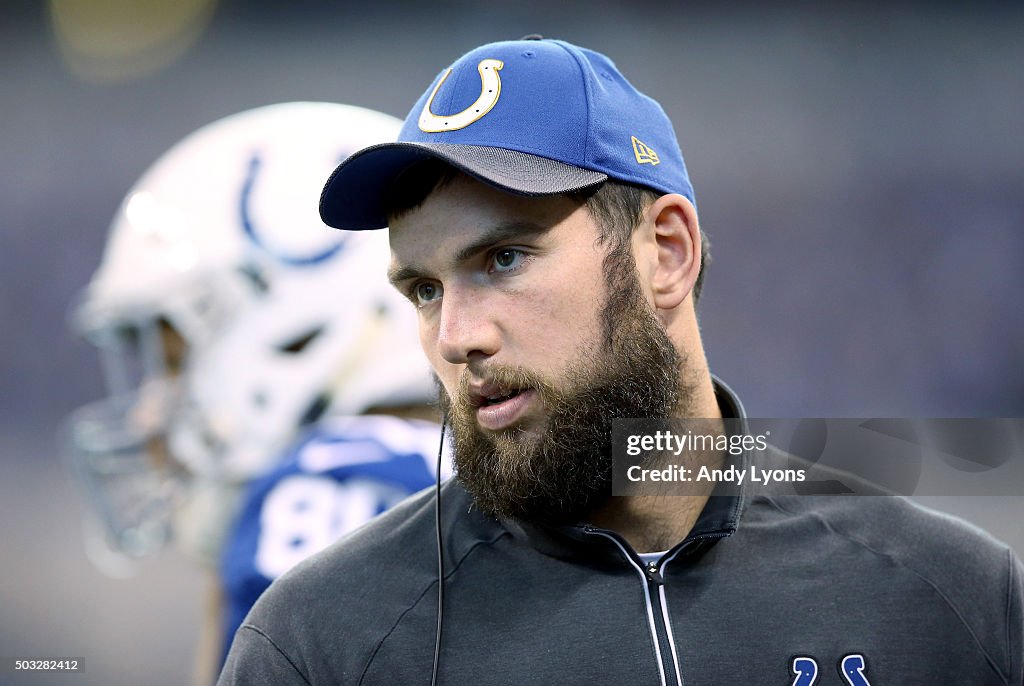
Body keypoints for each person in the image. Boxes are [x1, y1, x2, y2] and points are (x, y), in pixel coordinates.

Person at [218, 39, 1023, 685]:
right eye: (424, 289)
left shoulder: (951, 596)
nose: (456, 336)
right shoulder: (322, 642)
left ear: (666, 253)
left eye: (503, 259)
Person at [63, 102, 446, 684]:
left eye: (173, 362)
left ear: (291, 335)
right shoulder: (515, 467)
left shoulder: (324, 487)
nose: (148, 413)